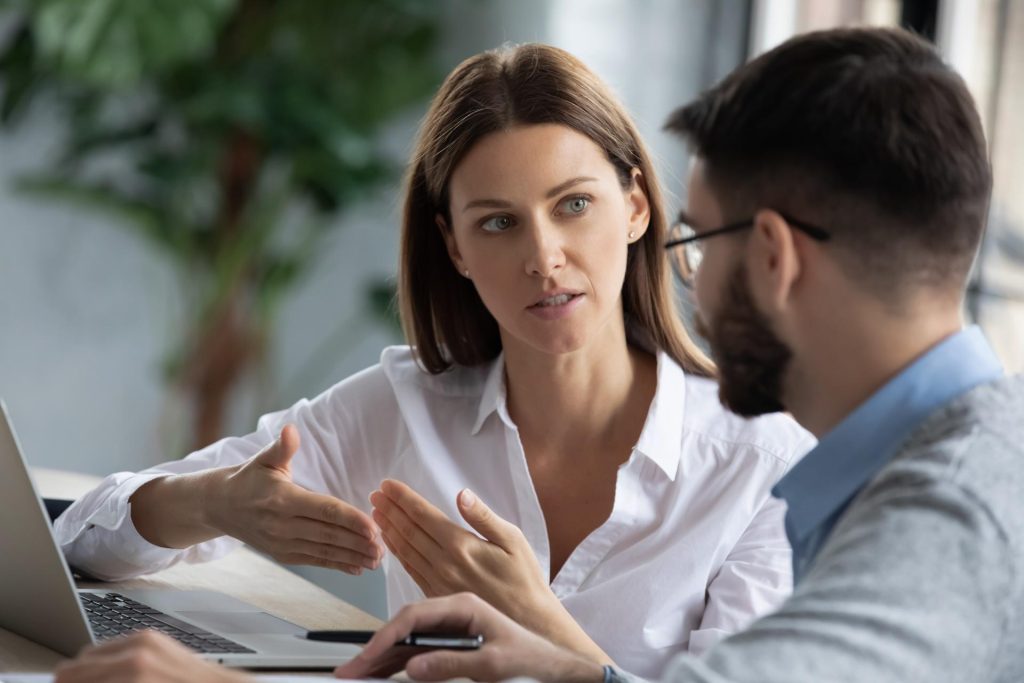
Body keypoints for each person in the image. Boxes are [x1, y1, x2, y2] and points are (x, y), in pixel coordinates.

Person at [52, 43, 811, 676]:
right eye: (498, 223)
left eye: (573, 204)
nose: (543, 258)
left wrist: (540, 628)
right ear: (455, 248)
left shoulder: (765, 466)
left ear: (637, 207)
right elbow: (78, 543)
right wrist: (213, 502)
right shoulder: (406, 406)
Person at [318, 26, 1022, 682]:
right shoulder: (971, 468)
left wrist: (551, 638)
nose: (691, 281)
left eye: (697, 243)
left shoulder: (942, 523)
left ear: (772, 256)